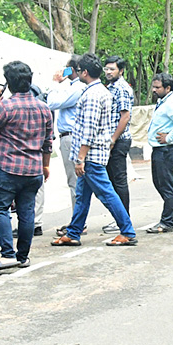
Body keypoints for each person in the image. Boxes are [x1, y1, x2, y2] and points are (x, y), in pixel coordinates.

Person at [52, 54, 136, 247]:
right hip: (93, 153)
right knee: (82, 196)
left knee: (107, 193)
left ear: (85, 72)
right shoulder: (101, 91)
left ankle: (127, 231)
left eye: (79, 70)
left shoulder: (91, 95)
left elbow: (89, 129)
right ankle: (74, 232)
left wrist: (81, 158)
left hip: (90, 156)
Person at [0, 61, 53, 272]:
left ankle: (7, 254)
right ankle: (22, 256)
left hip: (8, 168)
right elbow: (48, 142)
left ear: (8, 84)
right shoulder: (43, 108)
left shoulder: (5, 106)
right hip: (34, 169)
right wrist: (45, 166)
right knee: (26, 212)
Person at [143, 72, 173, 233]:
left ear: (167, 88)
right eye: (153, 87)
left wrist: (169, 137)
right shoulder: (163, 101)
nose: (154, 90)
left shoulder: (171, 102)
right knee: (159, 183)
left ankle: (166, 221)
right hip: (160, 150)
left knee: (167, 186)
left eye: (157, 87)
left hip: (167, 150)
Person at [47, 56, 85, 217]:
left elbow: (52, 103)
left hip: (71, 137)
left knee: (74, 182)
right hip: (70, 136)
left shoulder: (76, 88)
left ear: (74, 70)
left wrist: (55, 82)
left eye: (68, 68)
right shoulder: (72, 87)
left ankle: (78, 221)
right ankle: (78, 219)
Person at [103, 56, 135, 233]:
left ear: (120, 71)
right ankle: (119, 218)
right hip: (113, 139)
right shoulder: (111, 87)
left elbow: (125, 116)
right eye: (106, 69)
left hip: (119, 140)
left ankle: (124, 219)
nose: (108, 72)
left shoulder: (121, 88)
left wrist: (113, 139)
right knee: (113, 181)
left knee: (119, 180)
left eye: (112, 69)